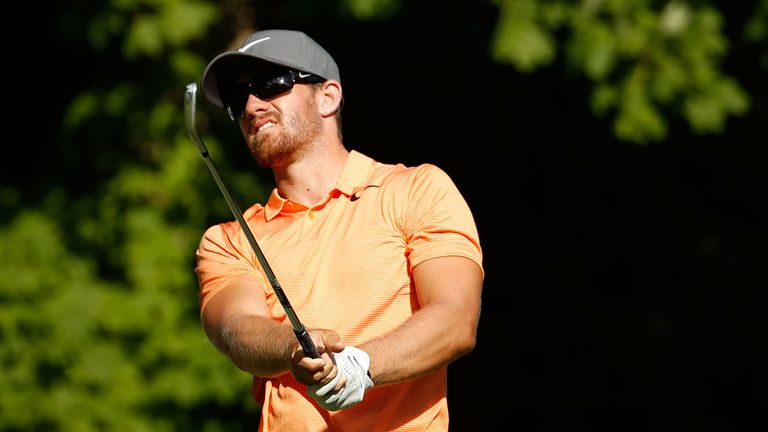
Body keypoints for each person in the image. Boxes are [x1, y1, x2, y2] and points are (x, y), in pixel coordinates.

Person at [194, 29, 484, 431]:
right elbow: (235, 329)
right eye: (237, 97)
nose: (251, 105)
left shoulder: (417, 190)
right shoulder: (228, 240)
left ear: (328, 96)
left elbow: (456, 318)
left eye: (269, 84)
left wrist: (362, 366)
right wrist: (292, 348)